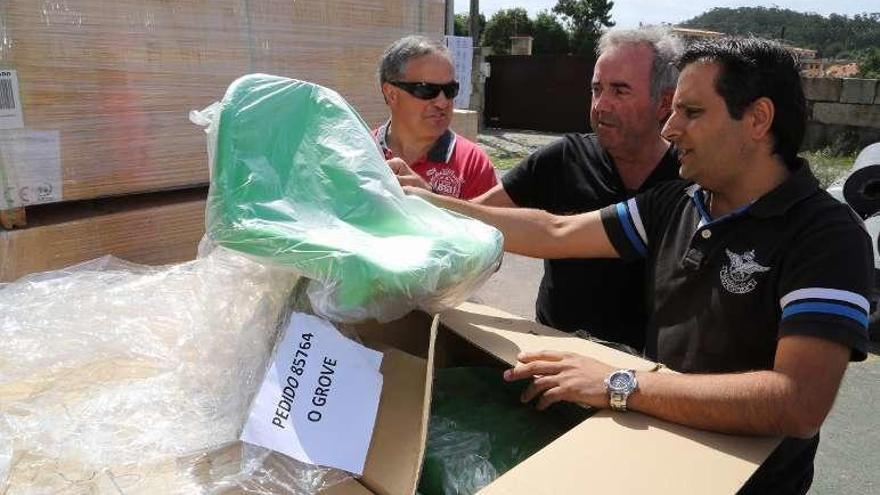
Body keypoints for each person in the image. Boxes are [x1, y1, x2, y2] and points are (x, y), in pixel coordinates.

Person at [406, 37, 872, 495]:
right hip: (653, 460)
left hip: (749, 482)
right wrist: (426, 204)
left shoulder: (828, 236)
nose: (669, 129)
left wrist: (617, 384)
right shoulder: (676, 203)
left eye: (691, 112)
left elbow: (799, 402)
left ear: (757, 119)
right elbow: (556, 232)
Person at [474, 27, 683, 349]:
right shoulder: (562, 159)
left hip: (643, 374)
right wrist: (427, 201)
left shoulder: (689, 181)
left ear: (664, 102)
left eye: (620, 91)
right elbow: (479, 217)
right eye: (596, 89)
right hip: (552, 356)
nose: (601, 105)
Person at [375, 35, 497, 200]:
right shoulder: (360, 151)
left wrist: (432, 199)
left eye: (450, 90)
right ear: (391, 94)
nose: (442, 102)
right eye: (427, 89)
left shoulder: (472, 163)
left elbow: (488, 225)